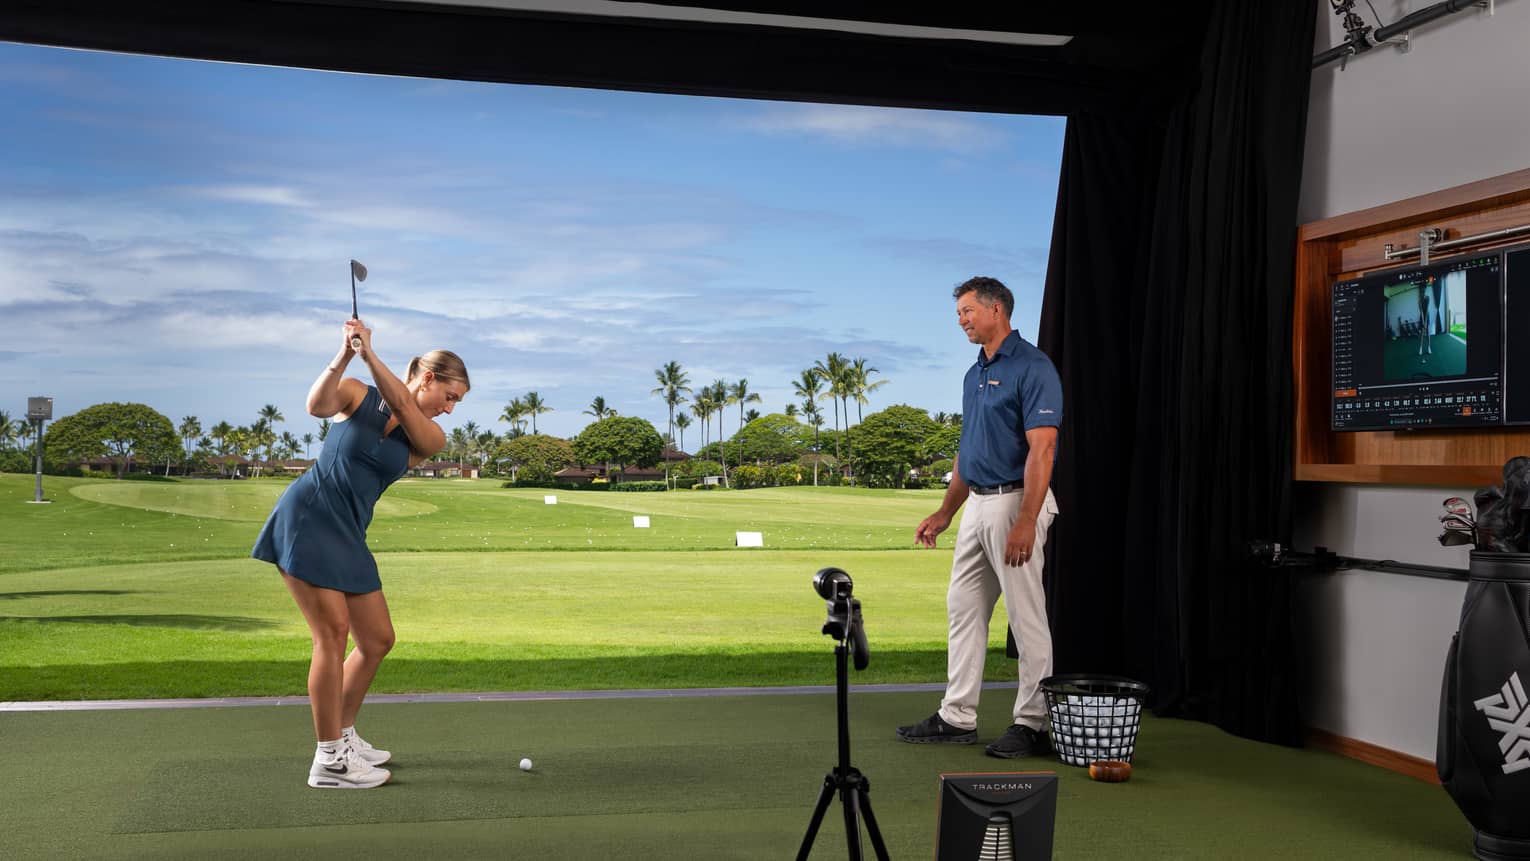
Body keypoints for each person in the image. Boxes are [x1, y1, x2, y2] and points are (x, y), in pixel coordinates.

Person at [252, 319, 469, 788]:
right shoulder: (354, 394)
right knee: (331, 634)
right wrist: (347, 354)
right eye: (450, 397)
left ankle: (343, 734)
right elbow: (315, 405)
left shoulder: (427, 437)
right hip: (309, 517)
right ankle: (329, 759)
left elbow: (402, 405)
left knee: (377, 639)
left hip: (348, 531)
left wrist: (370, 352)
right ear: (428, 377)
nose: (451, 410)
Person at [896, 276, 1062, 759]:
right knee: (963, 608)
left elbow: (1043, 448)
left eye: (967, 311)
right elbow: (968, 452)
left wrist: (1027, 519)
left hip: (1016, 502)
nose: (962, 321)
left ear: (996, 310)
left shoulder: (1033, 367)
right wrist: (947, 511)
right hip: (977, 506)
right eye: (959, 314)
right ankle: (957, 716)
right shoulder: (974, 374)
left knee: (1025, 617)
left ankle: (1032, 723)